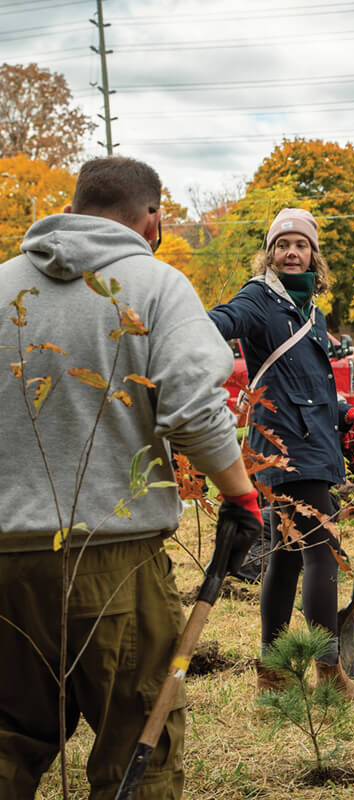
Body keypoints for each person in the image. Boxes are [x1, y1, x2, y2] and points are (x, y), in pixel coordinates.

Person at [0, 156, 261, 796]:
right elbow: (195, 411)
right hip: (110, 557)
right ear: (152, 217)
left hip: (5, 557)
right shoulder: (154, 285)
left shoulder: (3, 285)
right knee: (137, 738)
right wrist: (240, 495)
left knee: (6, 737)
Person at [209, 207, 354, 701]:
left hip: (305, 440)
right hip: (289, 447)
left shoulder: (309, 311)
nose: (290, 251)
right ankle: (330, 674)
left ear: (312, 255)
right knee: (320, 552)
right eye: (282, 244)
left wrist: (349, 415)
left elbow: (309, 381)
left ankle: (273, 675)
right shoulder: (260, 298)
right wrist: (193, 328)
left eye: (300, 245)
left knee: (284, 559)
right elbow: (225, 319)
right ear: (270, 252)